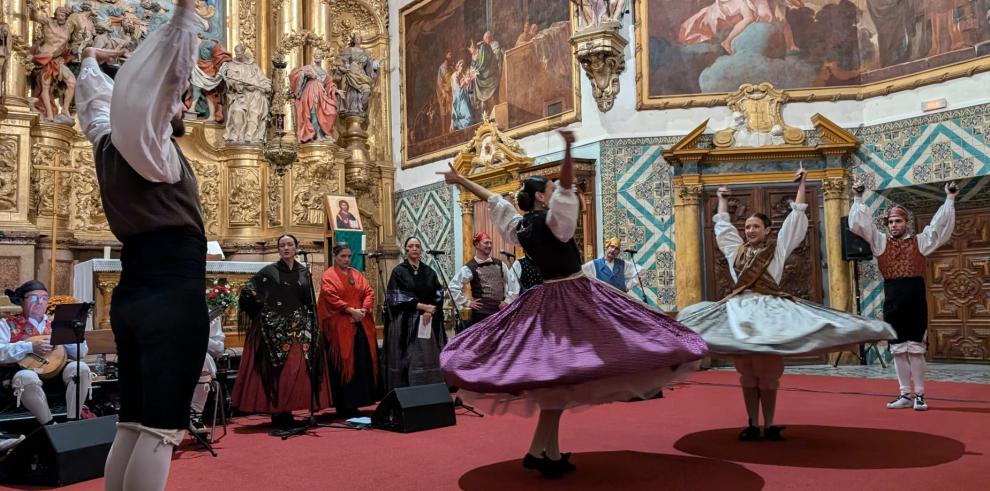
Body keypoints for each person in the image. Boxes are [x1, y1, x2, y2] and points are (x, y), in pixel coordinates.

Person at [438, 130, 708, 478]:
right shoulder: (555, 222)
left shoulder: (519, 227)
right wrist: (566, 149)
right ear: (539, 197)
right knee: (587, 361)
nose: (555, 192)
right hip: (572, 297)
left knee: (557, 380)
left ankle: (545, 452)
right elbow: (565, 190)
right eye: (547, 190)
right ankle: (541, 452)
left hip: (544, 301)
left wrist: (461, 178)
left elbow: (494, 200)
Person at [74, 2, 208, 487]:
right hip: (170, 297)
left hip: (135, 296)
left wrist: (90, 61)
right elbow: (158, 88)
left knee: (132, 423)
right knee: (161, 429)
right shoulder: (150, 150)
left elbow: (94, 103)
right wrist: (183, 20)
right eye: (179, 99)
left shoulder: (107, 141)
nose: (181, 104)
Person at [677, 166, 895, 441]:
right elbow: (723, 227)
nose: (750, 230)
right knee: (746, 372)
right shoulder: (736, 250)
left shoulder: (778, 247)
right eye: (747, 227)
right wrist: (721, 198)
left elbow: (796, 217)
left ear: (768, 230)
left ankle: (768, 424)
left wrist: (802, 183)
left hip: (771, 311)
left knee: (768, 372)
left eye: (756, 226)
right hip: (740, 311)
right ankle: (752, 423)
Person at [848, 179, 958, 411]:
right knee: (898, 349)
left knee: (915, 350)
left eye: (898, 221)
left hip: (915, 300)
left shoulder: (920, 242)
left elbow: (939, 227)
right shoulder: (880, 243)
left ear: (907, 223)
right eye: (890, 222)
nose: (894, 225)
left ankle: (919, 394)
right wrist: (858, 197)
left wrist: (949, 199)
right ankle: (904, 394)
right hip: (893, 301)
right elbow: (860, 226)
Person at [231, 234, 332, 428]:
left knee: (297, 369)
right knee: (279, 370)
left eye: (290, 245)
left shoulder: (304, 272)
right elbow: (247, 293)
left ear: (296, 247)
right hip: (274, 329)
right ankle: (277, 412)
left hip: (299, 329)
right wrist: (265, 313)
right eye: (282, 245)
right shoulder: (269, 272)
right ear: (279, 249)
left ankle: (291, 409)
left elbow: (307, 300)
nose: (286, 248)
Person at [0, 280, 92, 425]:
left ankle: (73, 421)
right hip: (21, 372)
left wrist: (66, 335)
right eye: (34, 298)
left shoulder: (57, 323)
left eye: (44, 298)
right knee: (26, 376)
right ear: (21, 301)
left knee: (80, 369)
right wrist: (30, 347)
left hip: (56, 373)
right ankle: (49, 425)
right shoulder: (7, 324)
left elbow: (80, 354)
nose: (40, 302)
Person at [317, 243, 380, 417]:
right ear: (335, 257)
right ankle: (344, 404)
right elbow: (330, 297)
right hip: (339, 326)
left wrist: (364, 310)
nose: (346, 260)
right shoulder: (328, 276)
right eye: (342, 256)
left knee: (361, 361)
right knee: (344, 362)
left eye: (348, 256)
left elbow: (368, 292)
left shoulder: (356, 273)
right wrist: (350, 310)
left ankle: (360, 400)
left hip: (360, 322)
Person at [382, 237, 447, 393]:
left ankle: (429, 389)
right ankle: (406, 390)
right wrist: (421, 306)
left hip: (427, 319)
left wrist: (429, 310)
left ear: (421, 250)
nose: (415, 249)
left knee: (427, 356)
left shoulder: (429, 271)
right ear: (406, 249)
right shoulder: (399, 271)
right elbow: (395, 296)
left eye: (418, 246)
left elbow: (438, 293)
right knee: (409, 356)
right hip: (406, 320)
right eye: (411, 246)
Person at [449, 232, 519, 332]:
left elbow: (514, 284)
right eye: (486, 243)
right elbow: (453, 286)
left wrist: (507, 301)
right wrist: (467, 302)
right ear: (477, 245)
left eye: (490, 243)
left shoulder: (500, 264)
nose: (489, 245)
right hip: (481, 314)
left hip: (500, 311)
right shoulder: (470, 267)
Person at [189, 314, 225, 434]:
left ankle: (195, 415)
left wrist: (199, 334)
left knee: (202, 359)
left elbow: (218, 350)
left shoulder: (206, 310)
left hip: (197, 359)